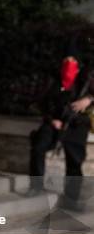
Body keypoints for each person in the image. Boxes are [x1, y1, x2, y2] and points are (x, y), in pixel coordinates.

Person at [28, 34, 94, 209]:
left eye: (72, 60)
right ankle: (36, 187)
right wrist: (51, 119)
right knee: (38, 147)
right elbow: (39, 101)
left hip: (76, 124)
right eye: (66, 59)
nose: (69, 63)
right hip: (54, 122)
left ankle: (71, 199)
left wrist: (88, 100)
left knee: (74, 162)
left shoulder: (86, 79)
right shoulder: (53, 79)